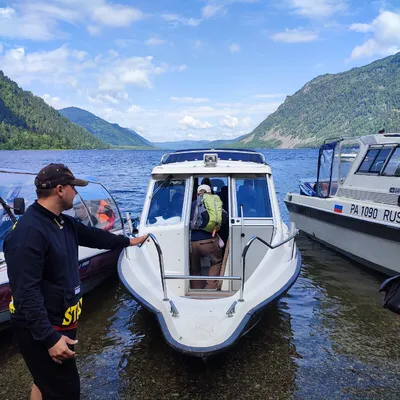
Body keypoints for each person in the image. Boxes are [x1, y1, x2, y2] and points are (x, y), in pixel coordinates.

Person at [4, 163, 148, 400]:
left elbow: (93, 235)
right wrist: (50, 339)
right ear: (60, 190)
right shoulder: (28, 234)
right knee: (66, 391)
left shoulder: (61, 221)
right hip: (44, 329)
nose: (77, 192)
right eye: (74, 187)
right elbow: (25, 294)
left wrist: (126, 241)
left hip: (59, 323)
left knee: (43, 381)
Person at [189, 184, 223, 290]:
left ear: (197, 194)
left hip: (193, 242)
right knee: (216, 262)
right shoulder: (213, 204)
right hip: (209, 240)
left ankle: (196, 290)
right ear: (210, 193)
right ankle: (210, 287)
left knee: (195, 269)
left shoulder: (191, 204)